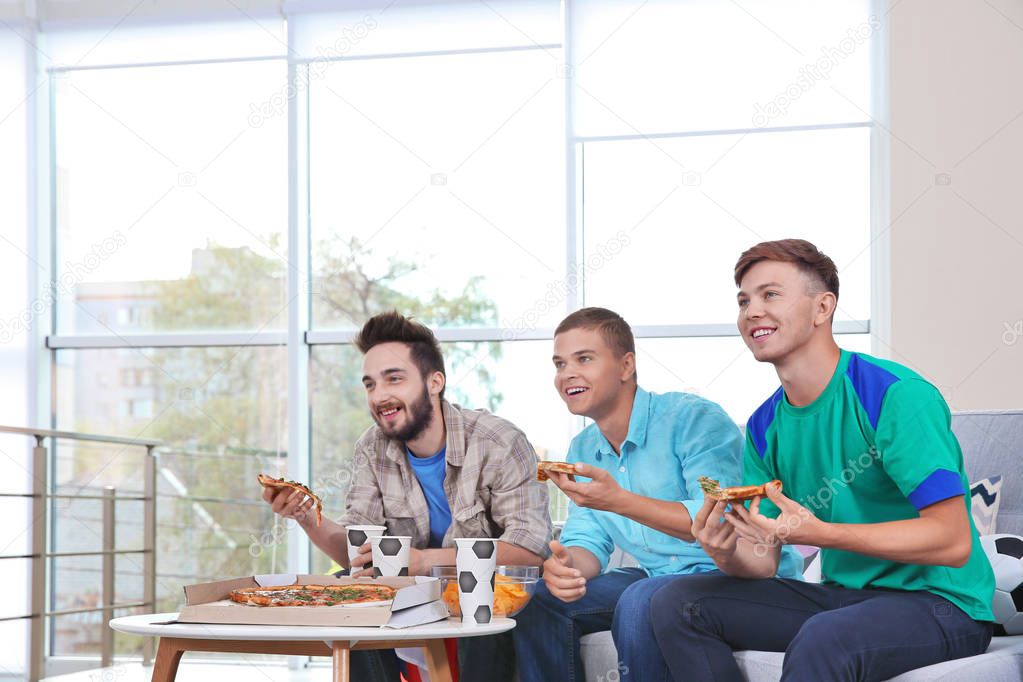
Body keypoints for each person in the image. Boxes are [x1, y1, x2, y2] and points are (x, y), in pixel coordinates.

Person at [650, 239, 995, 681]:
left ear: (822, 308)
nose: (751, 311)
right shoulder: (763, 425)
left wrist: (824, 534)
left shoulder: (894, 395)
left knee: (825, 635)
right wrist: (725, 553)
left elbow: (952, 541)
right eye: (743, 300)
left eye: (770, 295)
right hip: (844, 596)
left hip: (942, 604)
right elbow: (762, 560)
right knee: (676, 603)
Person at [513, 307, 801, 681]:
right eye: (559, 363)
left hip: (738, 578)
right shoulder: (583, 448)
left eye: (584, 358)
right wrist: (566, 568)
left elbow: (713, 519)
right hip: (657, 576)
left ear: (625, 365)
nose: (567, 373)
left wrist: (618, 500)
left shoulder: (692, 419)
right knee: (539, 600)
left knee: (641, 601)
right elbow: (588, 540)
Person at [263, 311, 551, 681]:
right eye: (370, 384)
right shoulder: (372, 447)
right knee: (350, 587)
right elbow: (357, 554)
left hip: (488, 593)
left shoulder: (499, 442)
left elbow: (529, 550)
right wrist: (306, 516)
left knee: (478, 588)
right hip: (415, 591)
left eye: (393, 379)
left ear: (435, 382)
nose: (380, 396)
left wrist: (424, 561)